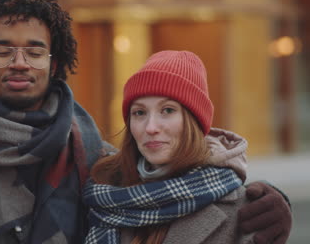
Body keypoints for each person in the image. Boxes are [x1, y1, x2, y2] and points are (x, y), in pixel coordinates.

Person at [0, 0, 291, 244]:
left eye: (34, 50)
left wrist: (271, 202)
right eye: (2, 49)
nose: (19, 62)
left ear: (55, 62)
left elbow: (182, 193)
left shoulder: (96, 159)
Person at [83, 50, 291, 244]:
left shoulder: (245, 210)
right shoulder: (104, 192)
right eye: (139, 112)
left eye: (167, 110)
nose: (151, 127)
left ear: (194, 121)